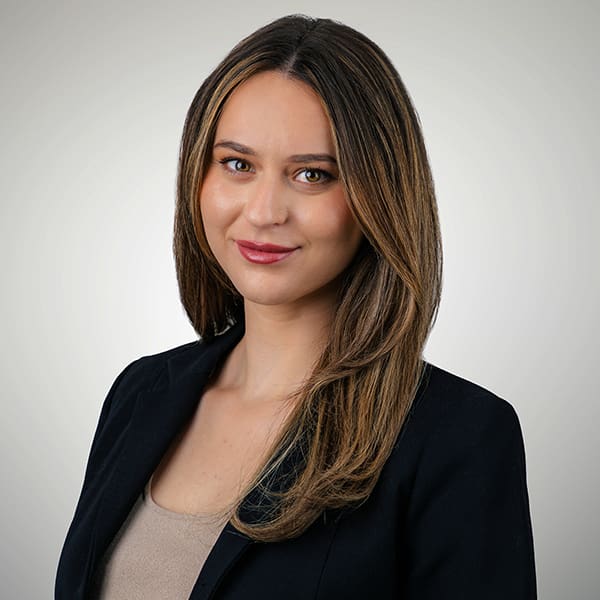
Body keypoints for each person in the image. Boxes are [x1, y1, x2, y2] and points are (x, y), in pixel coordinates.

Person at [55, 14, 536, 600]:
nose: (264, 212)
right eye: (238, 164)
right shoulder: (140, 393)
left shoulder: (458, 437)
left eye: (312, 174)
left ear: (378, 196)